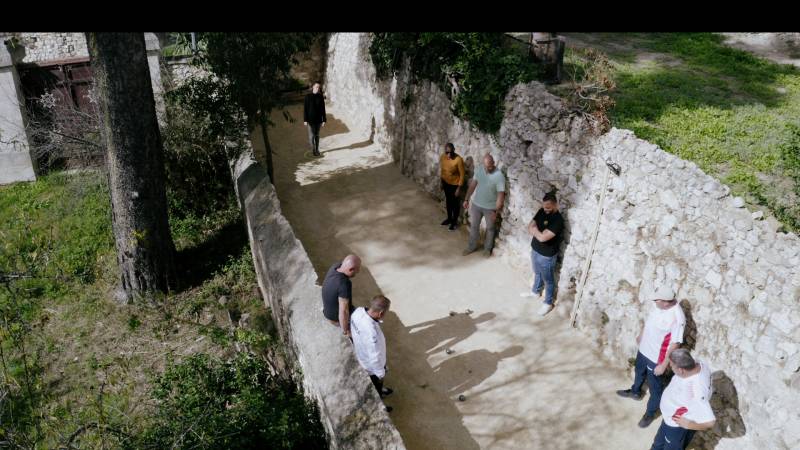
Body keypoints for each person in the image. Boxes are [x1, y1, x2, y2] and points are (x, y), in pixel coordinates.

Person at [617, 285, 686, 428]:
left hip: (656, 358)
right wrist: (641, 334)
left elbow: (675, 344)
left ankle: (650, 413)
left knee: (655, 388)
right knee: (639, 371)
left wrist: (664, 365)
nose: (655, 302)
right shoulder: (659, 306)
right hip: (644, 350)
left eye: (657, 300)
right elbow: (649, 321)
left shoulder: (677, 317)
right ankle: (635, 392)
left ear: (666, 301)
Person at [649, 349, 716, 450]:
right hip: (669, 418)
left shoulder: (697, 391)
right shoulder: (698, 363)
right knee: (658, 443)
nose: (670, 367)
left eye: (671, 366)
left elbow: (710, 422)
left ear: (681, 370)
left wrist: (689, 424)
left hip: (676, 426)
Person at [521, 192, 565, 316]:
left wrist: (536, 231)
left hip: (547, 255)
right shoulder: (541, 211)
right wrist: (537, 232)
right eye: (544, 206)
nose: (545, 209)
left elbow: (543, 238)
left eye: (548, 207)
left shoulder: (558, 220)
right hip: (535, 249)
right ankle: (535, 292)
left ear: (556, 205)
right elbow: (530, 226)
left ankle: (548, 303)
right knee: (537, 272)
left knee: (548, 280)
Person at [350, 295, 394, 411]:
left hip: (361, 356)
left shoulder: (358, 312)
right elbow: (374, 356)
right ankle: (381, 407)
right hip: (372, 367)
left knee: (377, 385)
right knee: (376, 387)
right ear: (381, 313)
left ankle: (381, 389)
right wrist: (380, 372)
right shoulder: (371, 333)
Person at [462, 154, 506, 257]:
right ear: (483, 164)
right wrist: (466, 199)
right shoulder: (479, 170)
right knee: (474, 226)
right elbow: (473, 185)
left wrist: (496, 211)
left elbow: (500, 196)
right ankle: (471, 246)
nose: (489, 168)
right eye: (487, 166)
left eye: (491, 166)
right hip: (477, 205)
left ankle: (487, 249)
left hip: (490, 208)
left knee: (490, 228)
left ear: (494, 163)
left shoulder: (499, 176)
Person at [321, 254, 361, 337]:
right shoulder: (344, 285)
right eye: (357, 270)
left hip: (327, 311)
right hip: (335, 318)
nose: (358, 272)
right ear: (351, 270)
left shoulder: (335, 266)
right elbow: (344, 311)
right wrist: (345, 331)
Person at [439, 143, 466, 231]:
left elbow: (462, 175)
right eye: (447, 153)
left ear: (454, 150)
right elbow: (442, 170)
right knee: (448, 201)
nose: (449, 155)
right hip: (445, 182)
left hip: (454, 185)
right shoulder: (443, 157)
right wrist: (441, 182)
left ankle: (454, 222)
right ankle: (449, 219)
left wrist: (459, 188)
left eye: (451, 152)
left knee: (455, 204)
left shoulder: (458, 159)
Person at [303, 82, 326, 156]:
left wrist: (324, 120)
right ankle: (313, 150)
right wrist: (305, 120)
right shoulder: (307, 97)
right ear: (313, 87)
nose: (317, 88)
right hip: (310, 120)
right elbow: (305, 109)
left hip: (318, 119)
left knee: (317, 135)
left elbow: (323, 109)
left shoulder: (320, 96)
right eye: (316, 87)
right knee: (311, 136)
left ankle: (317, 149)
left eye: (319, 87)